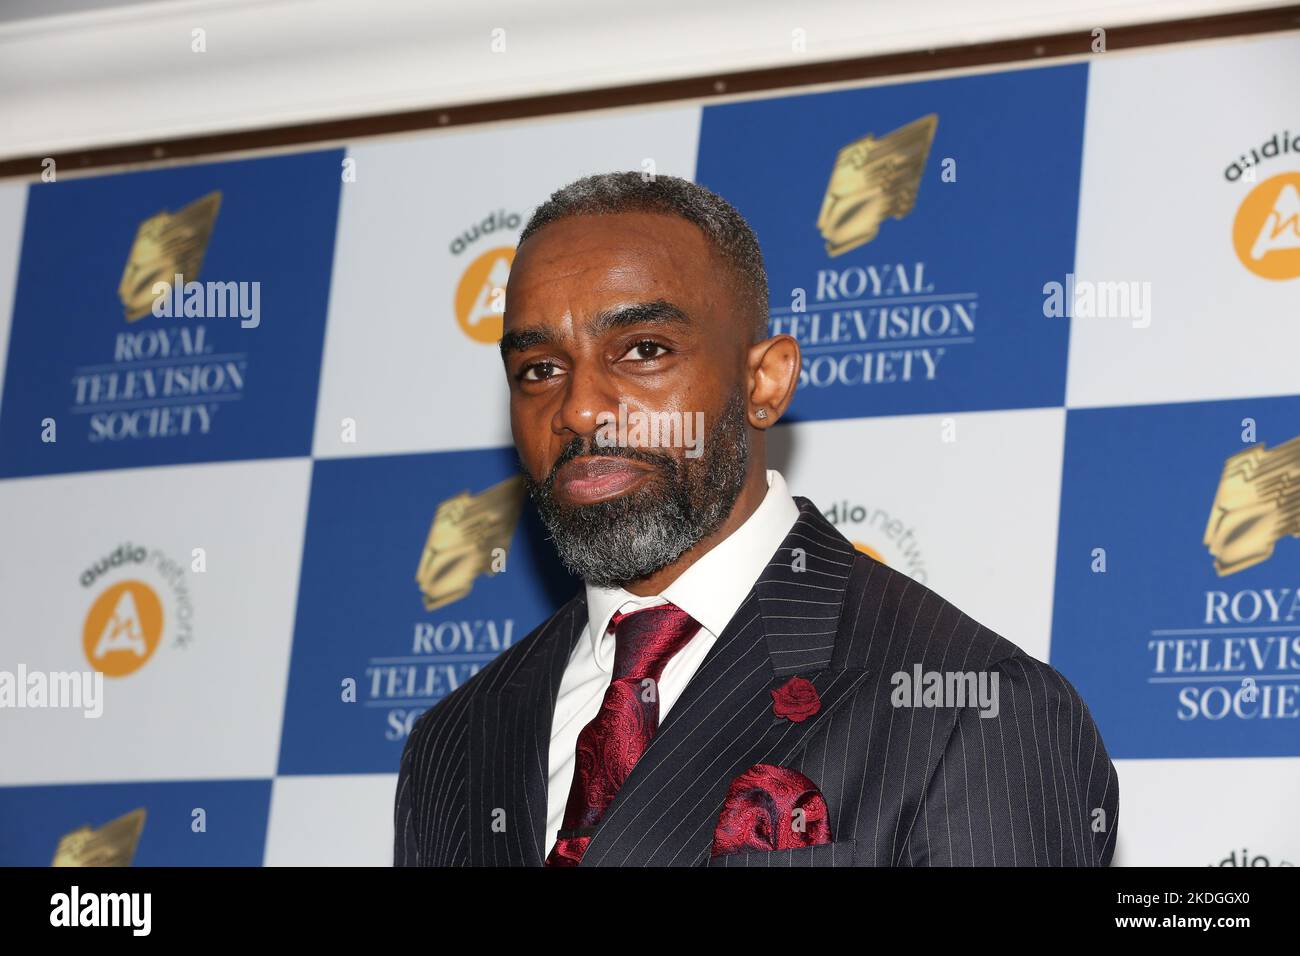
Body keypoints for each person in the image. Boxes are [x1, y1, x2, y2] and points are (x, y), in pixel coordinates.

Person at [394, 171, 1118, 867]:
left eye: (643, 351)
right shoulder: (455, 739)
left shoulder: (974, 707)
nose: (580, 408)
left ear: (764, 381)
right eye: (539, 370)